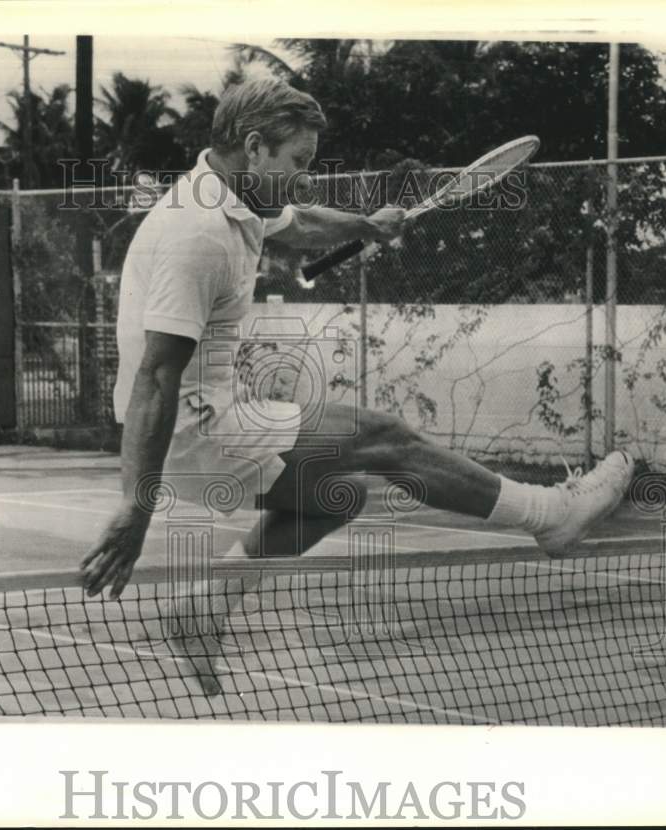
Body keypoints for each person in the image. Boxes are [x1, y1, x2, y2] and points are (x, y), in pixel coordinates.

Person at [81, 78, 633, 690]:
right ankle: (549, 515)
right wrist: (137, 506)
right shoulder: (200, 235)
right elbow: (156, 379)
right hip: (189, 432)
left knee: (335, 495)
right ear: (255, 146)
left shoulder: (235, 193)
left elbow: (301, 223)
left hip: (203, 420)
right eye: (299, 162)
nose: (306, 176)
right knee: (384, 437)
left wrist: (366, 225)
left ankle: (202, 610)